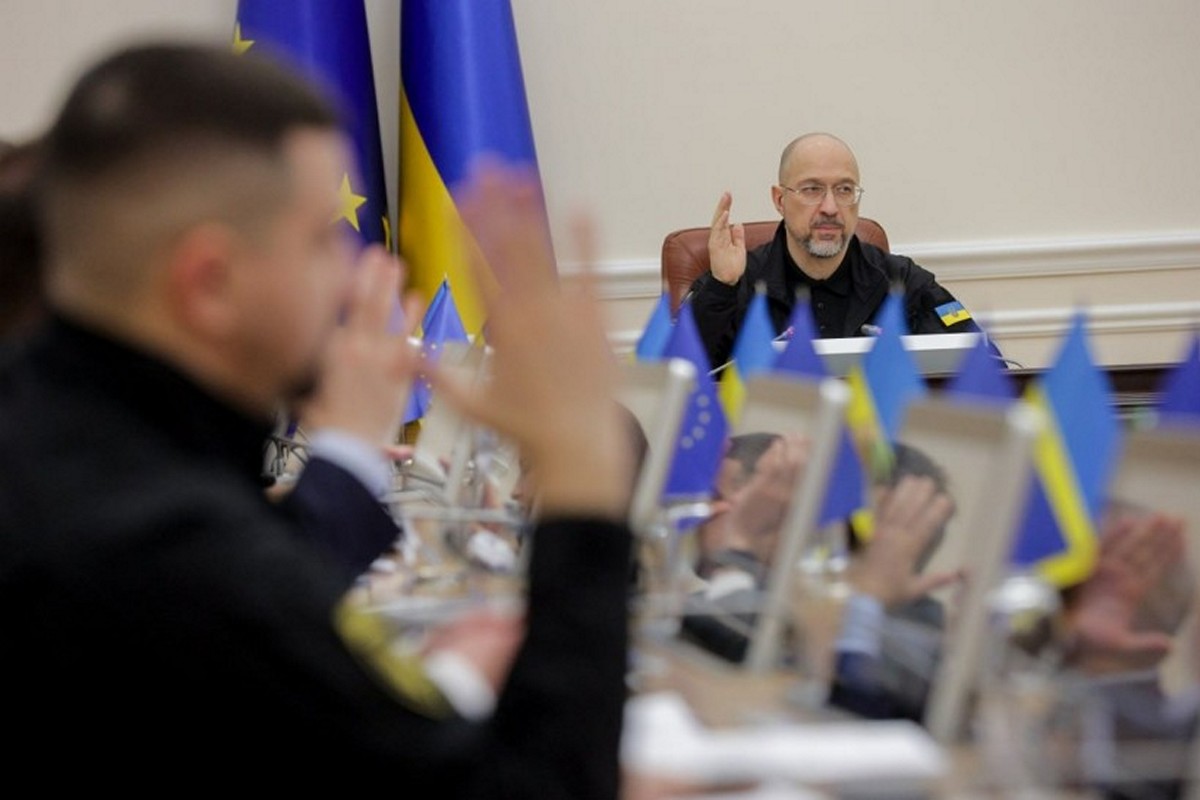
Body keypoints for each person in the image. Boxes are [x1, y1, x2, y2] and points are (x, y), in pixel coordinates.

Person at [0, 42, 636, 796]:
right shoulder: (158, 548)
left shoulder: (59, 427)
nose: (347, 271)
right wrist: (582, 481)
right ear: (209, 284)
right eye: (320, 240)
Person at [689, 132, 986, 371]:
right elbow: (681, 382)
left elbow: (984, 367)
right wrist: (721, 288)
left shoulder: (901, 281)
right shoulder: (736, 281)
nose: (830, 208)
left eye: (844, 190)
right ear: (780, 200)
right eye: (812, 189)